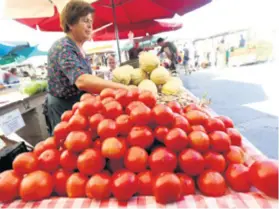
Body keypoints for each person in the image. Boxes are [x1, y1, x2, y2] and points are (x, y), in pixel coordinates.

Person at [44, 0, 128, 135]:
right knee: (68, 144)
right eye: (85, 21)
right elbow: (82, 80)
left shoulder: (79, 48)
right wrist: (125, 89)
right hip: (64, 107)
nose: (90, 26)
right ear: (71, 24)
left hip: (79, 105)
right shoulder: (63, 47)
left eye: (90, 21)